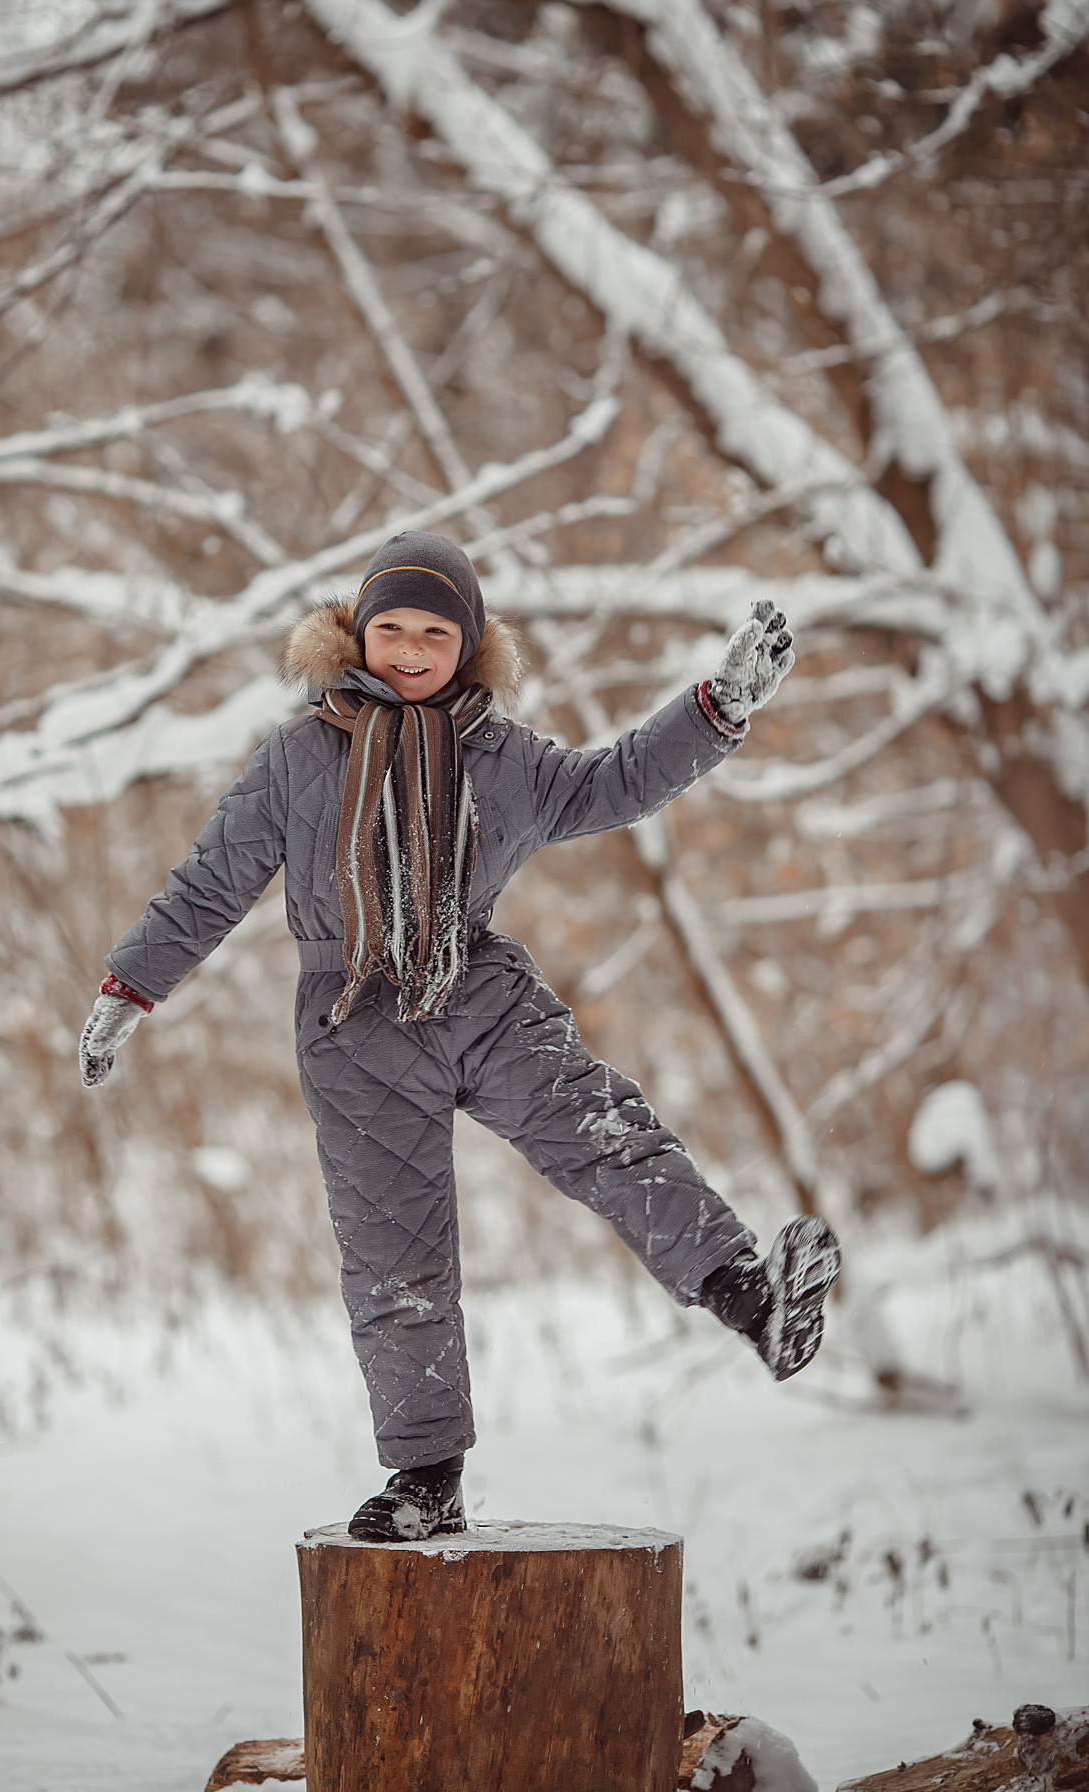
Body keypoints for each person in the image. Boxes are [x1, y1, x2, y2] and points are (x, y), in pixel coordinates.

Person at [79, 531, 839, 1542]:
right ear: (354, 632)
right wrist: (130, 987)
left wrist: (715, 709)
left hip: (474, 989)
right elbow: (211, 882)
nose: (406, 647)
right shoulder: (301, 756)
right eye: (388, 626)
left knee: (605, 1134)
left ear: (467, 646)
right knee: (394, 1254)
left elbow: (612, 783)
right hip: (353, 1021)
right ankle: (424, 1478)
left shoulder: (501, 755)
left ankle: (755, 1300)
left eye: (432, 632)